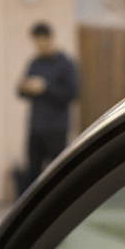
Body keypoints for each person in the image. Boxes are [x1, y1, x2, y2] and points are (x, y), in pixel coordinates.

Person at [16, 22, 79, 188]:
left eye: (42, 41)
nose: (39, 46)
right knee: (33, 173)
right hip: (36, 128)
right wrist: (24, 86)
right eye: (36, 42)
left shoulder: (65, 63)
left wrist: (45, 88)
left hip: (56, 129)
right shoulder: (34, 63)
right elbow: (21, 92)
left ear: (50, 39)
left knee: (57, 173)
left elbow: (73, 94)